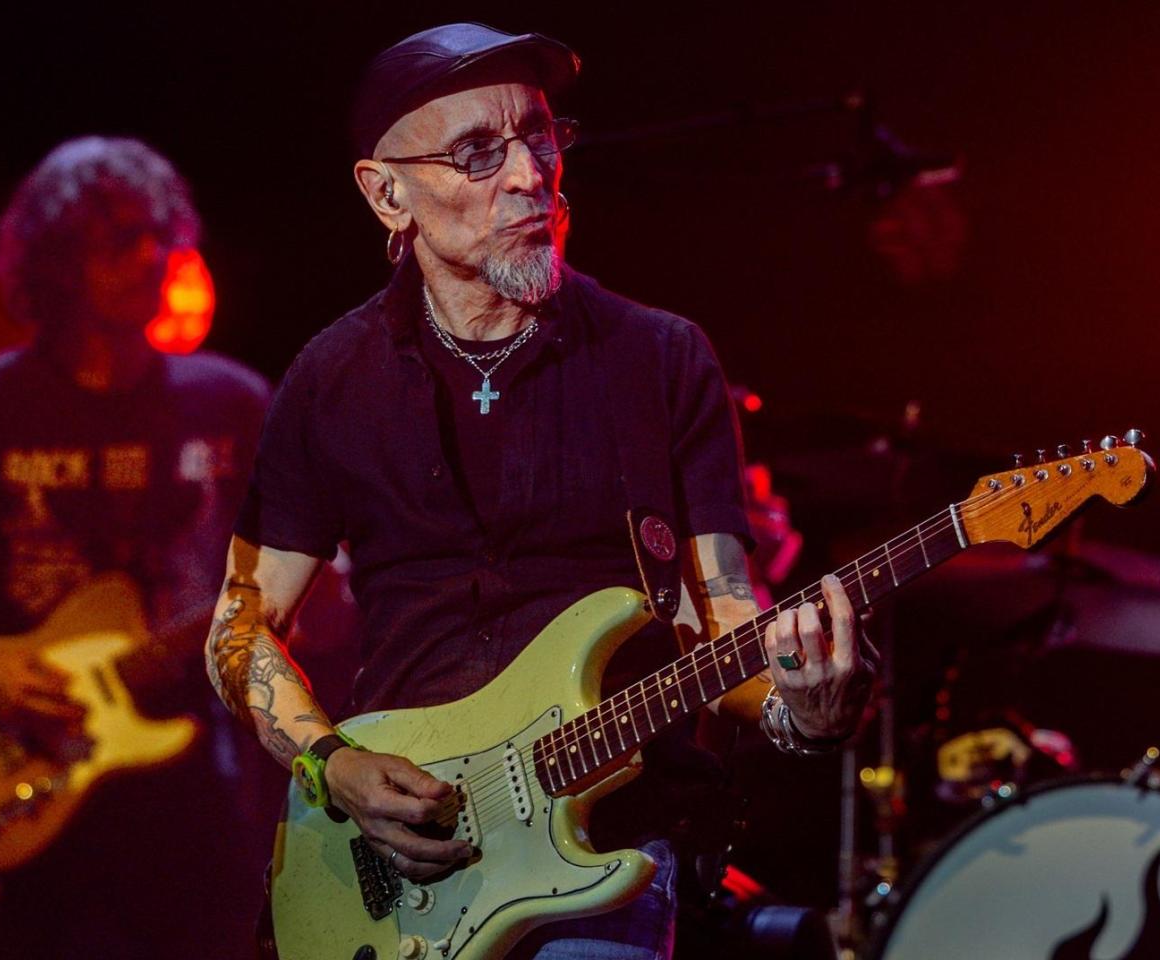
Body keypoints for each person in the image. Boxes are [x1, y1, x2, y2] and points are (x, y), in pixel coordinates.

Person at [205, 23, 877, 959]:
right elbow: (239, 629)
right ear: (386, 191)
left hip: (606, 844)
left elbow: (717, 616)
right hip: (396, 860)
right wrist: (335, 765)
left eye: (541, 137)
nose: (530, 174)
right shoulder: (331, 379)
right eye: (479, 152)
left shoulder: (660, 359)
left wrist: (799, 712)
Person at [0, 136, 270, 958]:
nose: (151, 258)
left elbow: (309, 584)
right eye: (119, 242)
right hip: (33, 761)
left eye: (158, 235)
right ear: (56, 263)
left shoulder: (234, 403)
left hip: (188, 786)